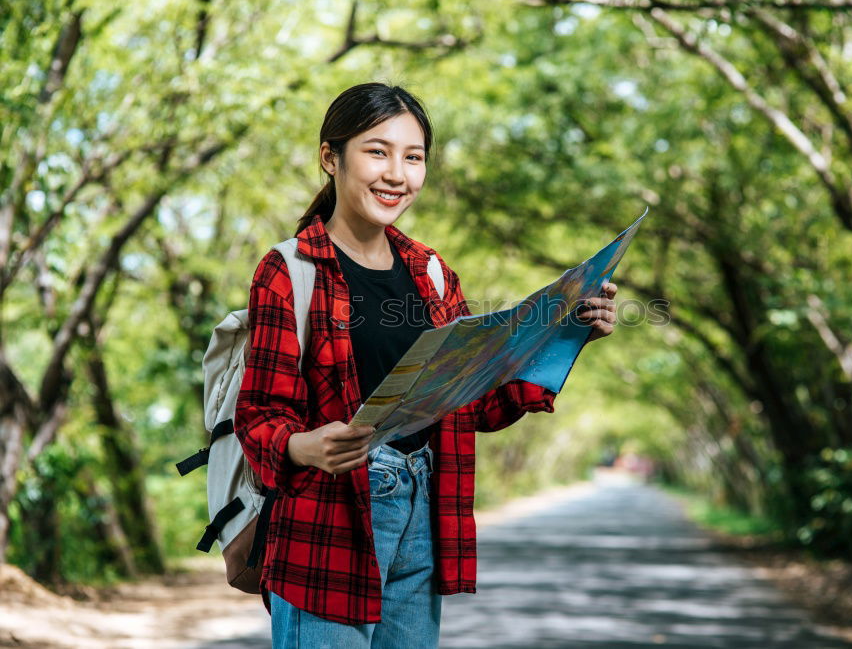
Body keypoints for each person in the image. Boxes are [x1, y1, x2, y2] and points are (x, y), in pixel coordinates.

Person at [234, 82, 617, 649]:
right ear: (330, 157)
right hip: (328, 521)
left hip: (424, 513)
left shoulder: (430, 273)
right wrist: (303, 445)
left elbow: (473, 403)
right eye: (377, 151)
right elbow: (260, 413)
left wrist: (569, 331)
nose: (397, 174)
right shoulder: (290, 271)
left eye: (413, 158)